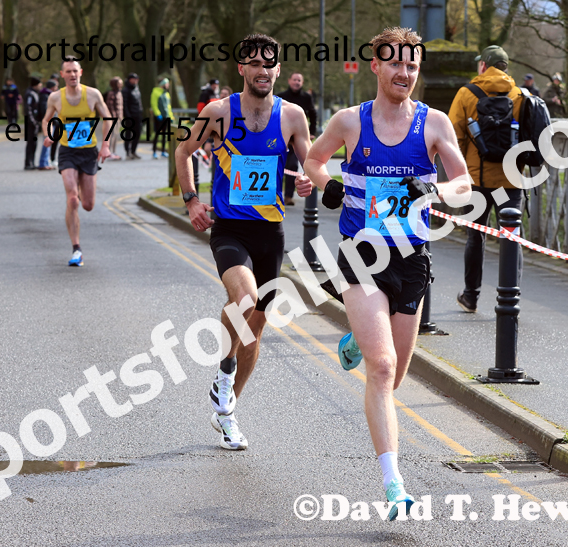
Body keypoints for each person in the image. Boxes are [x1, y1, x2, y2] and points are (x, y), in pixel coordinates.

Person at [303, 27, 470, 520]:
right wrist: (327, 185)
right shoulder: (349, 122)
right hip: (361, 255)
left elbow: (463, 184)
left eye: (413, 66)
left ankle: (358, 339)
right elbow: (313, 159)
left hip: (412, 259)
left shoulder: (435, 124)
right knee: (380, 368)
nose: (405, 73)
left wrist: (436, 191)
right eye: (395, 64)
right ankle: (395, 485)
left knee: (393, 376)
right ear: (375, 66)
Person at [175, 33, 313, 452]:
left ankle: (227, 412)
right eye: (253, 63)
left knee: (255, 330)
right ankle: (224, 370)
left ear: (277, 68)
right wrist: (191, 200)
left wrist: (309, 179)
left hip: (271, 232)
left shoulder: (292, 116)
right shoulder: (218, 112)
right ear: (241, 69)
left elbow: (311, 161)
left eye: (269, 63)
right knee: (246, 298)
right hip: (230, 228)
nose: (262, 70)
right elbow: (184, 153)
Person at [447, 45, 524, 313]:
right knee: (512, 237)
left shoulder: (467, 94)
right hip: (510, 182)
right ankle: (510, 299)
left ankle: (471, 296)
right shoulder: (520, 95)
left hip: (477, 180)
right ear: (505, 67)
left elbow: (452, 138)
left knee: (475, 238)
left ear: (483, 66)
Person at [41, 56, 112, 267]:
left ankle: (81, 189)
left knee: (88, 205)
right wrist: (49, 134)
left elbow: (108, 119)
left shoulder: (92, 95)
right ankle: (76, 249)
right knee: (72, 199)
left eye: (75, 71)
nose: (72, 74)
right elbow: (46, 120)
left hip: (89, 152)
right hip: (67, 152)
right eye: (68, 71)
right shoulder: (55, 98)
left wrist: (106, 146)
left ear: (80, 73)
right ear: (62, 75)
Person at [277, 72, 317, 206]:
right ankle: (274, 194)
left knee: (292, 165)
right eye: (294, 80)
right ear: (289, 81)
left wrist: (311, 132)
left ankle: (288, 196)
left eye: (299, 80)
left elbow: (313, 114)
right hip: (281, 137)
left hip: (297, 136)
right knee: (277, 165)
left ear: (302, 82)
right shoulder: (280, 97)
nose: (296, 82)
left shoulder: (306, 97)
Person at [150, 77, 173, 159]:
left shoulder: (166, 94)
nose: (168, 85)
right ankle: (154, 151)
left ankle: (163, 151)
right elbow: (154, 104)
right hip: (159, 117)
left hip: (166, 117)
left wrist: (171, 116)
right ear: (163, 84)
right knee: (157, 134)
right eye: (167, 83)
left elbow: (168, 107)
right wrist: (157, 114)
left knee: (164, 135)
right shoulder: (155, 92)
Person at [121, 73, 143, 160]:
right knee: (128, 134)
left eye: (137, 79)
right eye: (134, 79)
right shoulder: (126, 90)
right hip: (130, 116)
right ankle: (128, 152)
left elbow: (139, 102)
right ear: (129, 79)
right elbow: (125, 104)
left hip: (138, 115)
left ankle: (133, 151)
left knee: (137, 133)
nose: (136, 81)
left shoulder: (137, 89)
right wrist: (127, 116)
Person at [24, 74, 43, 170]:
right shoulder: (30, 94)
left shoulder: (35, 93)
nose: (41, 85)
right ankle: (28, 162)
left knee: (34, 143)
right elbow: (28, 109)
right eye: (39, 84)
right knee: (30, 142)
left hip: (35, 121)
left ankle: (32, 161)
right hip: (31, 122)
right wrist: (33, 121)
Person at [38, 80, 58, 169]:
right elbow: (45, 111)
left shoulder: (48, 95)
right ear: (53, 87)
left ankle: (46, 162)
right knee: (47, 142)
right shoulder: (46, 96)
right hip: (48, 122)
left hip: (52, 122)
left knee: (49, 142)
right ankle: (43, 163)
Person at [104, 77, 124, 160]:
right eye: (119, 83)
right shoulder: (111, 94)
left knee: (116, 135)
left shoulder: (119, 93)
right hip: (113, 118)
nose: (120, 85)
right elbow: (110, 106)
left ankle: (114, 151)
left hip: (119, 117)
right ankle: (109, 151)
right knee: (111, 135)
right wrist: (113, 116)